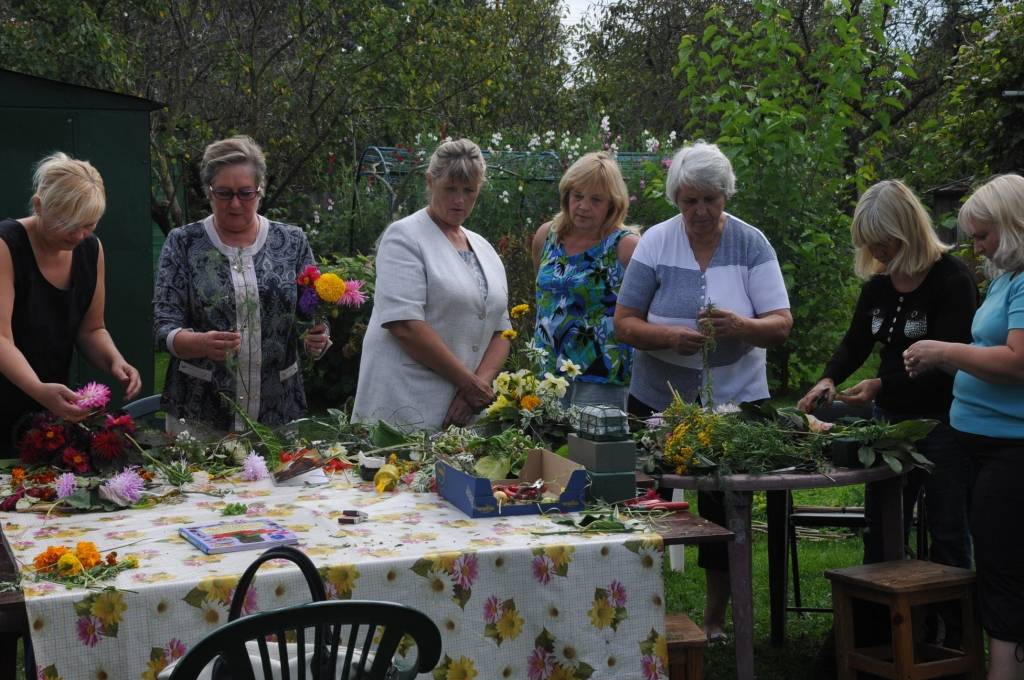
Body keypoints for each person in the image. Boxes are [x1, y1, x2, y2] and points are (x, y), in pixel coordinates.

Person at [614, 141, 792, 640]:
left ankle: (715, 620)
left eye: (710, 199)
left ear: (725, 196)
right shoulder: (655, 243)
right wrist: (669, 337)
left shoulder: (752, 243)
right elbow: (624, 323)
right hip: (656, 396)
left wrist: (740, 325)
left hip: (735, 398)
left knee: (723, 506)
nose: (700, 211)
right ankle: (631, 615)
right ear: (677, 199)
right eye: (689, 200)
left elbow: (780, 325)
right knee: (639, 503)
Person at [797, 179, 977, 571]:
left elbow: (948, 363)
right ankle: (878, 622)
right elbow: (855, 343)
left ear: (908, 231)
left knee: (947, 529)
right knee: (881, 526)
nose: (877, 253)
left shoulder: (952, 280)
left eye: (885, 243)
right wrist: (828, 378)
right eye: (870, 245)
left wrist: (881, 384)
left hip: (942, 422)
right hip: (889, 422)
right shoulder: (879, 285)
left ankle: (952, 626)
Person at [903, 174, 1024, 679]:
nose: (977, 248)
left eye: (984, 236)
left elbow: (1017, 363)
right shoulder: (1005, 278)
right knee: (991, 561)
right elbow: (987, 360)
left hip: (1009, 449)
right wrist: (944, 362)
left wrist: (945, 350)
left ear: (1014, 225)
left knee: (1003, 568)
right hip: (975, 441)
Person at [153, 135, 328, 434]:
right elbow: (161, 326)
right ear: (209, 192)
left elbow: (309, 312)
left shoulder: (292, 241)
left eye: (246, 193)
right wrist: (198, 343)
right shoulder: (183, 242)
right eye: (224, 193)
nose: (235, 203)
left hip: (278, 413)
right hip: (200, 414)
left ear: (260, 191)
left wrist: (318, 337)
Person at [352, 138, 511, 431]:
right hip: (405, 406)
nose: (459, 200)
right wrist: (467, 382)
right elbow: (405, 325)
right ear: (430, 181)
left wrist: (478, 388)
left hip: (466, 413)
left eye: (469, 191)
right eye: (450, 189)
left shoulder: (484, 248)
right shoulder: (404, 237)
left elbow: (503, 330)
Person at [0, 153, 141, 453]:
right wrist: (39, 389)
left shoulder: (91, 249)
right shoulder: (6, 246)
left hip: (49, 408)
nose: (78, 235)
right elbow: (0, 338)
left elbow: (91, 329)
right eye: (67, 224)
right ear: (39, 205)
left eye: (89, 225)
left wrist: (114, 360)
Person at [531, 151, 638, 409]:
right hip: (547, 373)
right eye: (577, 196)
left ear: (612, 204)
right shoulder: (547, 236)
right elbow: (543, 298)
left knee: (593, 449)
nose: (583, 206)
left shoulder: (626, 247)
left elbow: (643, 312)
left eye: (596, 200)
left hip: (601, 377)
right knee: (544, 447)